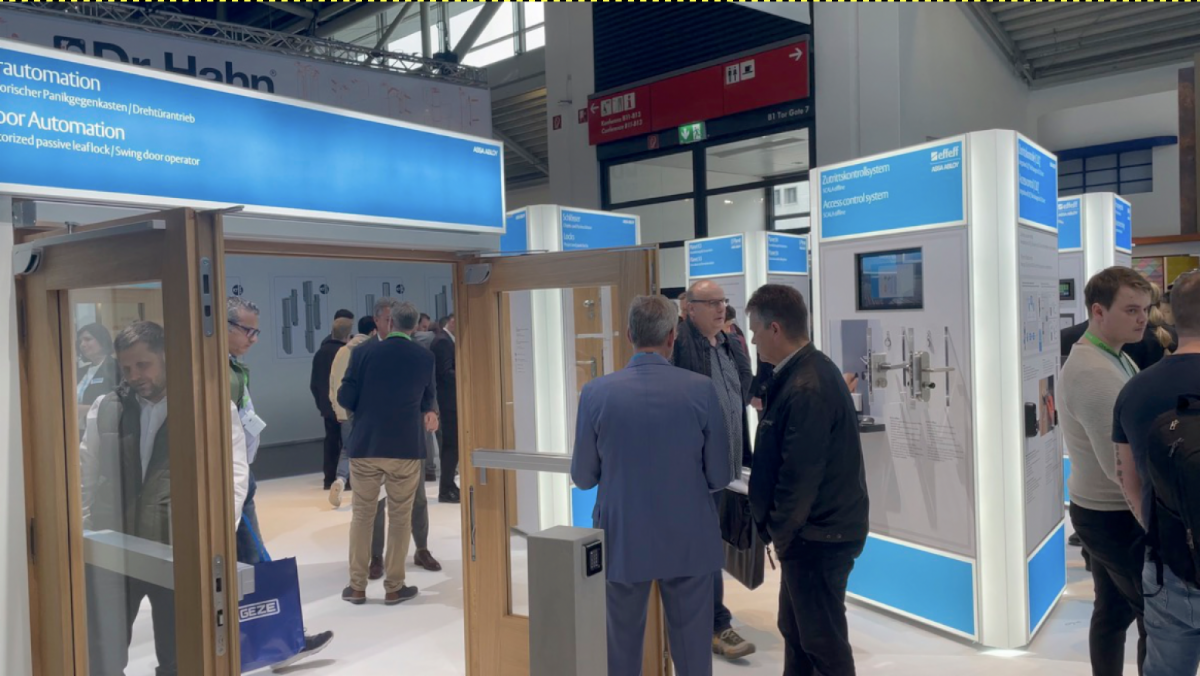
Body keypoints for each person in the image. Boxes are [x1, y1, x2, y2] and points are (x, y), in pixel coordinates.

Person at [572, 295, 731, 676]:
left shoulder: (596, 393)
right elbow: (720, 475)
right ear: (672, 336)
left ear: (629, 335)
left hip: (623, 537)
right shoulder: (702, 389)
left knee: (621, 651)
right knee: (693, 658)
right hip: (689, 536)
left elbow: (583, 477)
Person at [80, 321, 250, 676]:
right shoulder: (106, 407)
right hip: (114, 549)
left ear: (166, 357)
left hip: (176, 550)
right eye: (126, 367)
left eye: (143, 365)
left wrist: (217, 538)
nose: (134, 376)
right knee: (102, 655)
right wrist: (84, 531)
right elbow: (85, 470)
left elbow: (233, 477)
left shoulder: (208, 407)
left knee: (180, 655)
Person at [745, 284, 869, 676]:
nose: (752, 340)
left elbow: (799, 477)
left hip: (818, 537)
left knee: (822, 642)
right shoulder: (804, 372)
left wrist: (779, 531)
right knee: (797, 632)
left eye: (755, 330)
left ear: (775, 329)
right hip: (812, 535)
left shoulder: (807, 386)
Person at [227, 298, 334, 666]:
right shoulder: (214, 373)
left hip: (241, 477)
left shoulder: (234, 368)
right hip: (229, 483)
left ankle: (275, 642)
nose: (254, 338)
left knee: (249, 564)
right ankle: (281, 642)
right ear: (224, 325)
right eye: (248, 330)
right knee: (254, 563)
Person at [1059, 267, 1152, 676]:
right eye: (1131, 310)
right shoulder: (1095, 372)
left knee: (1112, 612)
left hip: (1103, 510)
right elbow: (1117, 467)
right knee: (1154, 614)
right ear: (1098, 311)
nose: (1142, 318)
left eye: (1145, 309)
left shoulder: (1113, 354)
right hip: (1112, 515)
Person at [1114, 270, 1200, 676]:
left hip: (1169, 563)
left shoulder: (1135, 389)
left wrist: (1159, 530)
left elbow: (1127, 479)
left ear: (1169, 315)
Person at [672, 280, 755, 660]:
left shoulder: (729, 344)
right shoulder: (680, 345)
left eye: (723, 301)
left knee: (713, 545)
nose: (721, 308)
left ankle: (708, 621)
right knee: (705, 549)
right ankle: (715, 625)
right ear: (689, 308)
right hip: (696, 471)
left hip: (729, 469)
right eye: (711, 303)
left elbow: (747, 393)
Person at [339, 299, 438, 605]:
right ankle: (394, 587)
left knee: (362, 516)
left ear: (390, 322)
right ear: (414, 326)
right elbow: (427, 398)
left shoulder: (362, 353)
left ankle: (357, 586)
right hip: (405, 447)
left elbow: (345, 397)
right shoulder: (424, 357)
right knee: (400, 517)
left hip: (366, 445)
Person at [313, 317, 352, 490]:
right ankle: (345, 478)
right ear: (348, 334)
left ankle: (329, 478)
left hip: (326, 406)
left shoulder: (320, 353)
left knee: (330, 441)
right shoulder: (345, 353)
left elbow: (314, 382)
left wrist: (321, 404)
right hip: (343, 406)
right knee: (347, 444)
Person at [431, 314, 460, 504]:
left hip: (450, 400)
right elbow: (445, 372)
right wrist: (466, 372)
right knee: (451, 445)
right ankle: (446, 488)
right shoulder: (442, 341)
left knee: (453, 445)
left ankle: (449, 485)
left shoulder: (447, 340)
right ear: (453, 321)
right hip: (448, 401)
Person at [75, 322, 119, 432]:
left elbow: (119, 404)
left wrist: (87, 409)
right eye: (80, 341)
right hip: (77, 431)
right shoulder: (79, 372)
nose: (82, 345)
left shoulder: (116, 367)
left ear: (102, 340)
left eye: (88, 339)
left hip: (103, 430)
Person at [413, 317, 442, 483]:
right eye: (422, 327)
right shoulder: (428, 340)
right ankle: (429, 469)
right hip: (429, 394)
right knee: (428, 435)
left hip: (422, 396)